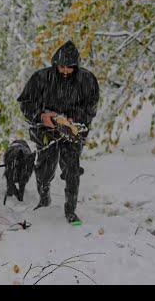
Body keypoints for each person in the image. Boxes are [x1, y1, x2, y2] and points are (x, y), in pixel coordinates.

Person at [17, 41, 100, 224]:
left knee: (72, 170)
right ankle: (44, 197)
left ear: (75, 67)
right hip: (46, 131)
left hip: (72, 132)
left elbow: (90, 108)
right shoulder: (40, 78)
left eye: (69, 68)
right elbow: (25, 103)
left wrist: (72, 119)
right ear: (55, 64)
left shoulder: (87, 80)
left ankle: (70, 210)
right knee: (45, 169)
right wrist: (41, 116)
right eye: (61, 66)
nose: (64, 71)